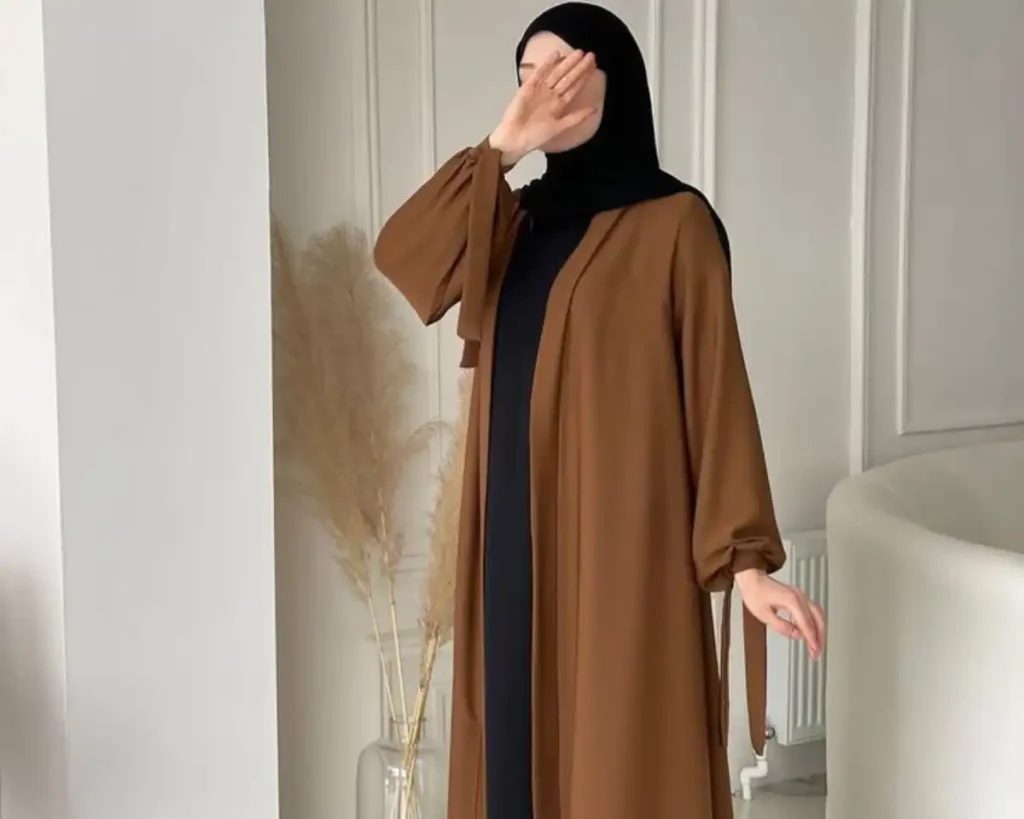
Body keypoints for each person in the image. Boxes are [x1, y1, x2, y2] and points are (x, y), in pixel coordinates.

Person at [373, 4, 826, 818]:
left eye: (562, 72)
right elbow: (404, 258)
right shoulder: (513, 221)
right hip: (509, 540)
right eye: (526, 78)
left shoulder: (676, 225)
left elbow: (716, 390)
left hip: (621, 553)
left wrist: (748, 566)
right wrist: (502, 148)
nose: (541, 92)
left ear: (614, 83)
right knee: (512, 759)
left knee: (614, 761)